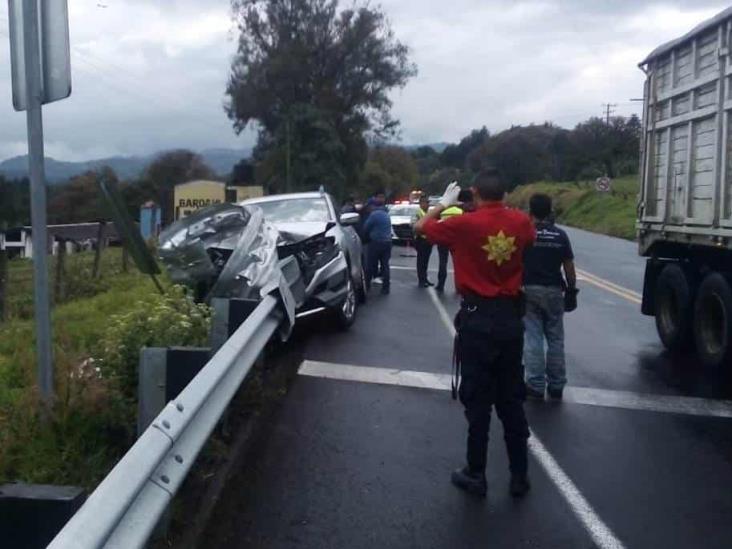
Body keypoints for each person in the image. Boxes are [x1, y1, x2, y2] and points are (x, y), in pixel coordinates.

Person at [414, 169, 535, 498]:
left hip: (478, 320)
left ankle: (476, 472)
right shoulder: (522, 222)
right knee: (511, 399)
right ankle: (520, 475)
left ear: (475, 194)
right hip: (510, 319)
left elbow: (421, 228)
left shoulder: (464, 224)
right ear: (505, 195)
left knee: (478, 399)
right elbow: (528, 242)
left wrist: (442, 204)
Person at [522, 194, 577, 400]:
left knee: (533, 337)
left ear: (531, 211)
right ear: (550, 211)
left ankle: (535, 384)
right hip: (554, 290)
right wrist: (571, 289)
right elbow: (569, 267)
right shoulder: (560, 235)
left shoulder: (527, 234)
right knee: (555, 338)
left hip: (530, 289)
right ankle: (556, 384)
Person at [362, 191, 392, 295]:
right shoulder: (386, 214)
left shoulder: (374, 215)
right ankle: (386, 287)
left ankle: (366, 285)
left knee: (370, 265)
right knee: (385, 265)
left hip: (376, 243)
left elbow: (366, 227)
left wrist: (364, 237)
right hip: (387, 243)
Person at [413, 195, 434, 288]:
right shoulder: (418, 213)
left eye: (428, 203)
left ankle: (425, 279)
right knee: (421, 261)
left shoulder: (428, 213)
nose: (428, 205)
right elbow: (413, 224)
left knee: (425, 261)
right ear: (421, 203)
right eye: (426, 202)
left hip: (428, 239)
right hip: (421, 239)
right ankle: (421, 280)